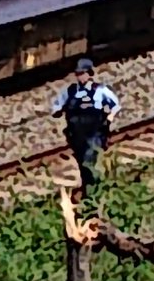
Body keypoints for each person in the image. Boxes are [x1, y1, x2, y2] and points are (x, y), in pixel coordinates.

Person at [51, 58, 120, 192]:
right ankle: (90, 189)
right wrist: (59, 111)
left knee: (92, 161)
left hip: (95, 132)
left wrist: (110, 118)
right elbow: (56, 108)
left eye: (83, 73)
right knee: (83, 163)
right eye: (78, 74)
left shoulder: (100, 90)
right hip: (77, 134)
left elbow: (115, 105)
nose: (80, 77)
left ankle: (96, 190)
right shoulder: (71, 91)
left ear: (89, 73)